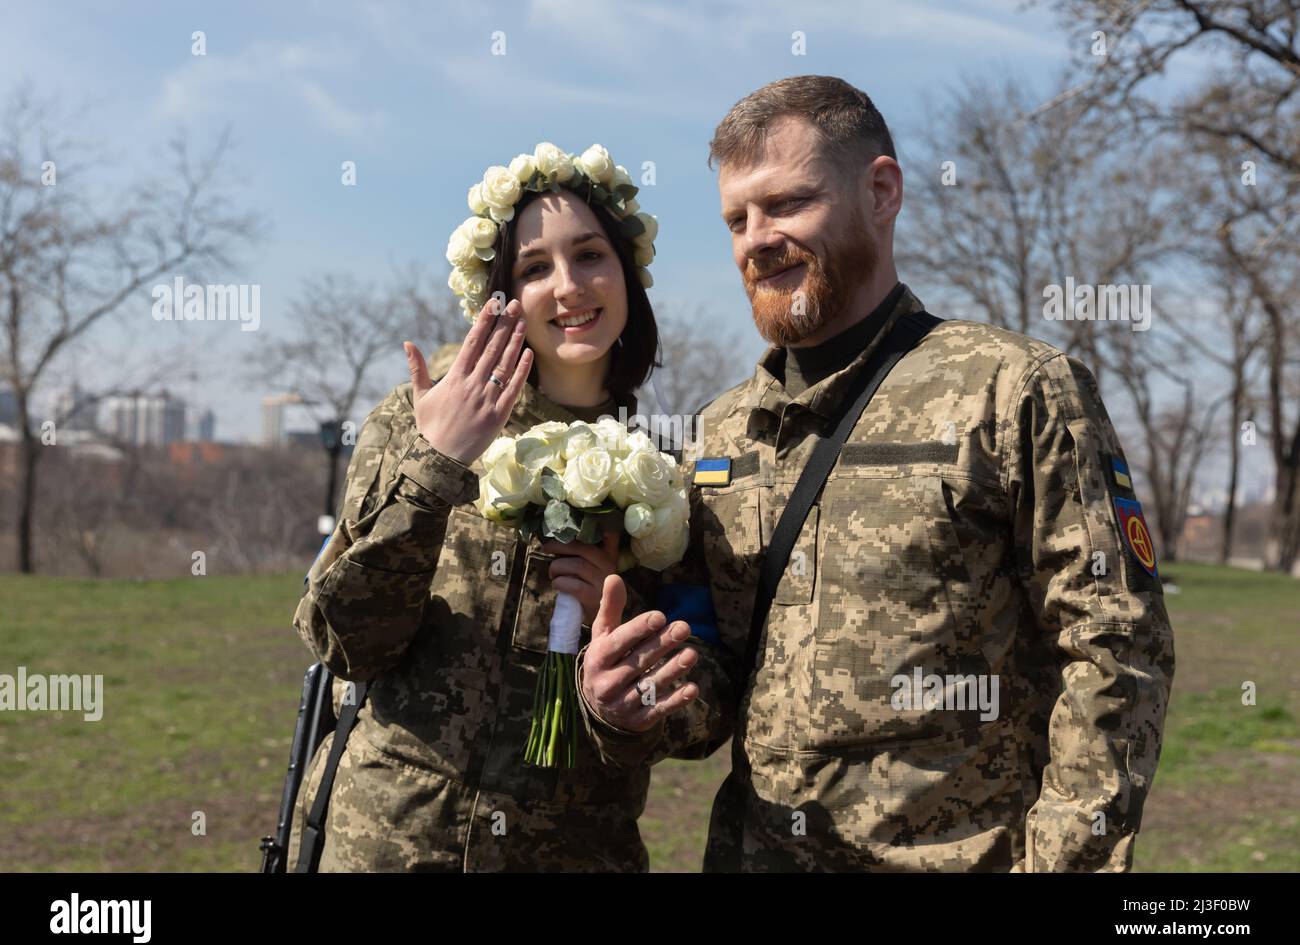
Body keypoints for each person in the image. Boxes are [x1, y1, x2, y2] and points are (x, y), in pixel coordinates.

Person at [577, 76, 1177, 872]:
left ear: (881, 191)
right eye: (737, 218)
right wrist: (635, 702)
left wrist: (1062, 863)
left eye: (787, 203)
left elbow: (1116, 647)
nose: (757, 237)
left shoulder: (1011, 391)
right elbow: (710, 684)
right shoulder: (717, 436)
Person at [286, 142, 696, 871]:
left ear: (627, 271)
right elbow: (345, 639)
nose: (569, 286)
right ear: (500, 295)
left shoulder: (668, 477)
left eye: (591, 255)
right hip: (388, 846)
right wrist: (434, 467)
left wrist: (618, 615)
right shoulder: (421, 417)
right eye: (535, 267)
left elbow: (681, 718)